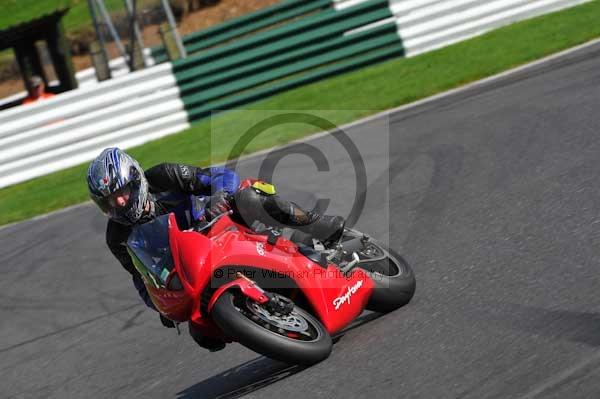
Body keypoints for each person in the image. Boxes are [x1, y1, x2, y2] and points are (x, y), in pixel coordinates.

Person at [87, 147, 345, 351]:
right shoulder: (117, 237)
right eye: (109, 199)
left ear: (135, 180)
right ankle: (266, 322)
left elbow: (220, 176)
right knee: (204, 335)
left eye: (121, 192)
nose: (119, 202)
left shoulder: (164, 176)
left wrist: (220, 196)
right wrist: (160, 304)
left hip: (222, 226)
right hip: (196, 266)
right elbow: (140, 277)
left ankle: (315, 224)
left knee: (249, 195)